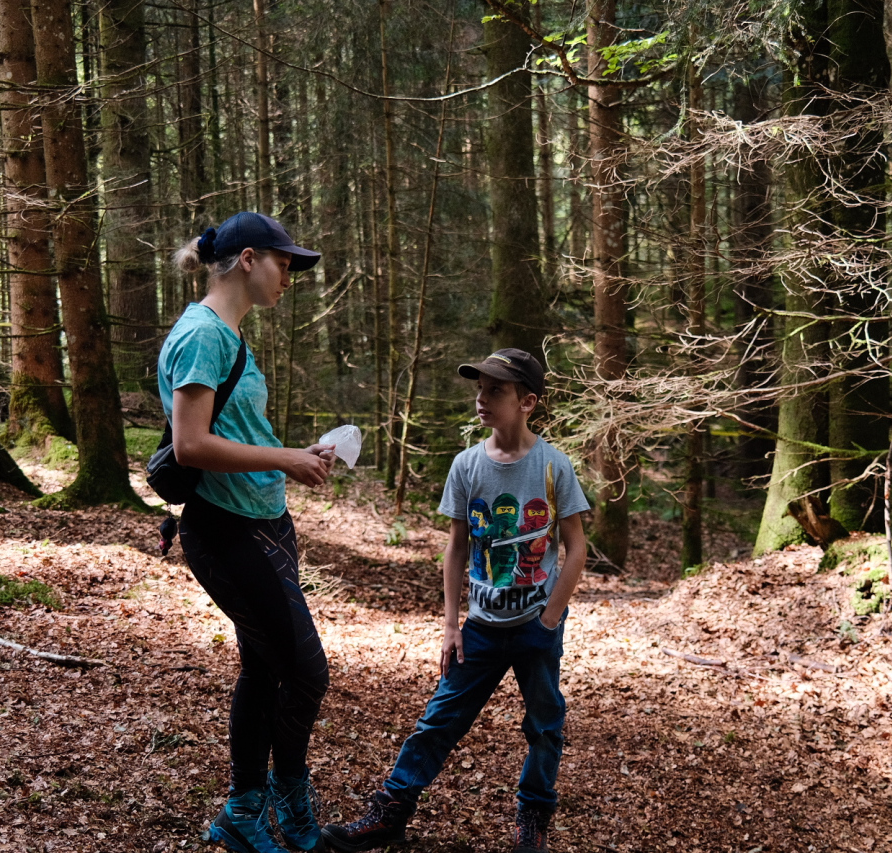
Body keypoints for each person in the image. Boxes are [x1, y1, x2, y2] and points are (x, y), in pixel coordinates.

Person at [321, 348, 590, 853]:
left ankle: (533, 822)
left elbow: (576, 548)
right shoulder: (467, 465)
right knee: (439, 721)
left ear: (528, 401)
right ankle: (391, 813)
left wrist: (550, 619)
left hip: (535, 626)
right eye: (480, 389)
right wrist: (451, 625)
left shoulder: (554, 466)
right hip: (481, 629)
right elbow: (456, 548)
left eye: (496, 391)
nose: (482, 399)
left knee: (545, 725)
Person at [160, 211, 334, 853]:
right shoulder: (203, 334)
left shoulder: (228, 335)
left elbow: (236, 433)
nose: (289, 277)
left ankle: (246, 809)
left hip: (266, 525)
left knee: (264, 670)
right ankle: (283, 796)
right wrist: (285, 459)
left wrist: (294, 455)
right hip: (226, 531)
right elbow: (190, 445)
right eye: (284, 264)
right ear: (248, 259)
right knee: (306, 673)